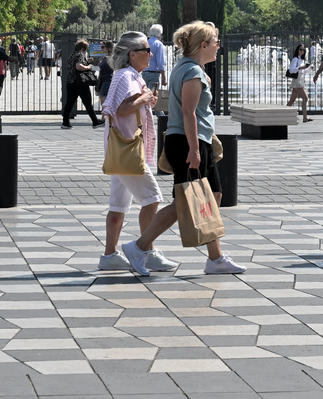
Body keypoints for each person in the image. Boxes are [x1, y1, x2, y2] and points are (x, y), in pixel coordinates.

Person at [121, 21, 246, 275]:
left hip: (196, 139)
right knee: (185, 202)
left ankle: (215, 258)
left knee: (213, 196)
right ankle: (140, 247)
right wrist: (194, 149)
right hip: (190, 140)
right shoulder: (192, 72)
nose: (217, 46)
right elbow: (189, 113)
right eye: (214, 42)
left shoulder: (188, 68)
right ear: (203, 45)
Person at [97, 32, 178, 273]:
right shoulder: (126, 76)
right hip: (127, 150)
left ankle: (110, 255)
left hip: (120, 151)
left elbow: (124, 107)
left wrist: (144, 101)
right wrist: (143, 98)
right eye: (146, 50)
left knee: (118, 206)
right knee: (152, 198)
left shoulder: (127, 75)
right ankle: (145, 250)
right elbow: (120, 109)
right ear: (132, 54)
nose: (150, 54)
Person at [61, 40, 103, 130]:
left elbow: (76, 64)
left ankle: (65, 122)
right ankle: (95, 121)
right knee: (87, 102)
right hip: (80, 82)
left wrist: (87, 61)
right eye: (86, 49)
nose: (86, 51)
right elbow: (78, 66)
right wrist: (88, 66)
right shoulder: (80, 54)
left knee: (69, 102)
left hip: (70, 81)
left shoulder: (72, 55)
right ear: (83, 48)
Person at [286, 43, 313, 123]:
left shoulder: (302, 60)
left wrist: (309, 68)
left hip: (301, 80)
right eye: (300, 49)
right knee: (305, 98)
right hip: (297, 81)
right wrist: (301, 67)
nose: (302, 51)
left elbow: (304, 72)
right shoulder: (295, 59)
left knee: (292, 100)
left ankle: (282, 113)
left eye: (303, 50)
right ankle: (305, 117)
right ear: (297, 50)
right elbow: (291, 70)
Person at [143, 25, 167, 92]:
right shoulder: (159, 44)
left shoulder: (145, 43)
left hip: (144, 72)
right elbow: (160, 62)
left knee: (144, 96)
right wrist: (164, 77)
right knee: (152, 97)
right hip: (154, 74)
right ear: (160, 34)